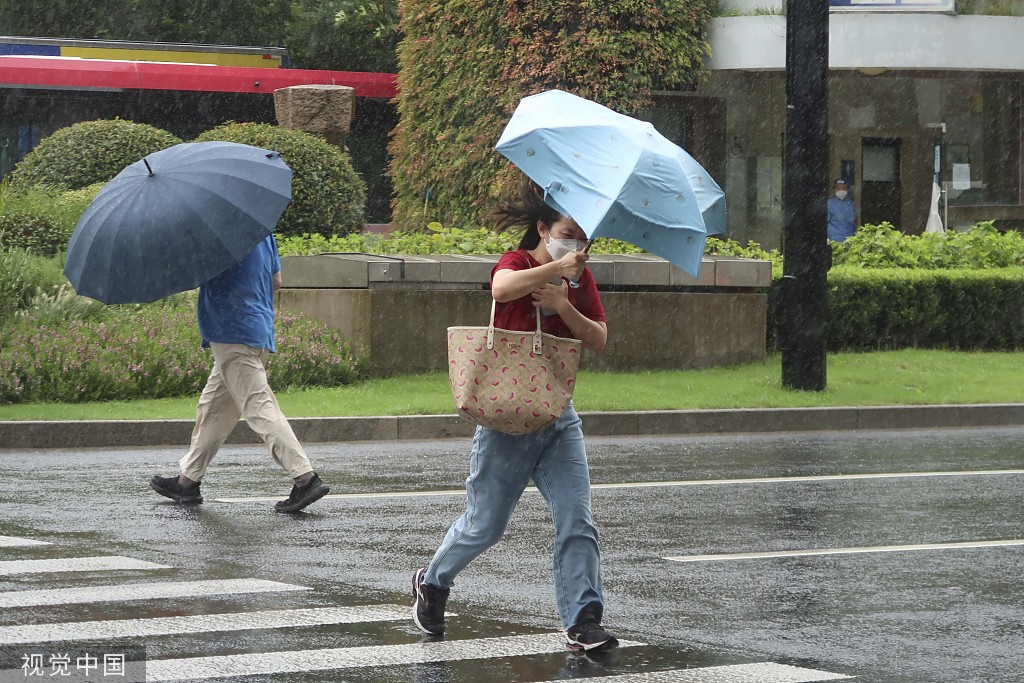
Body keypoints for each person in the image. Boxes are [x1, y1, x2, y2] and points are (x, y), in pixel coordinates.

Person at [411, 180, 618, 653]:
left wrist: (564, 301)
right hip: (505, 417)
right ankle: (434, 580)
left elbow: (600, 339)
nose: (575, 243)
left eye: (582, 237)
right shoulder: (519, 261)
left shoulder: (578, 279)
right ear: (544, 229)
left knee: (577, 520)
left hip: (557, 414)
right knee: (485, 524)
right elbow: (500, 288)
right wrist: (551, 268)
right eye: (568, 232)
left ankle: (584, 621)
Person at [149, 234, 330, 514]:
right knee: (214, 409)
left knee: (260, 408)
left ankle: (305, 478)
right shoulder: (262, 232)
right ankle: (187, 482)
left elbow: (191, 276)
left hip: (231, 332)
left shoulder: (216, 237)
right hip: (257, 329)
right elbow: (276, 281)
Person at [827, 177, 859, 243]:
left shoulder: (851, 204)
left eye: (843, 188)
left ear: (847, 189)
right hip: (834, 239)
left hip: (850, 239)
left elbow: (855, 220)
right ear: (835, 189)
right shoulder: (829, 204)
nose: (841, 190)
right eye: (838, 188)